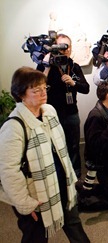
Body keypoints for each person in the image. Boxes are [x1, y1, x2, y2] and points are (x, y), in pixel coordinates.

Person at [0, 67, 90, 242]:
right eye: (36, 90)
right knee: (36, 236)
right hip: (36, 196)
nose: (43, 93)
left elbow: (60, 151)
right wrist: (25, 204)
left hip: (60, 185)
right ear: (21, 94)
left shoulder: (49, 111)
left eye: (44, 88)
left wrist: (70, 180)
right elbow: (9, 172)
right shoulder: (13, 127)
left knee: (75, 228)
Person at [37, 33, 90, 178]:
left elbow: (86, 88)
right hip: (51, 114)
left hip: (71, 113)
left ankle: (75, 176)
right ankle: (58, 178)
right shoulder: (45, 65)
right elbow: (37, 85)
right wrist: (47, 66)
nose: (65, 50)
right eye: (61, 47)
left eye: (67, 46)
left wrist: (74, 83)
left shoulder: (74, 67)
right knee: (53, 147)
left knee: (73, 146)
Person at [77, 81, 108, 211]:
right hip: (104, 164)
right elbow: (94, 146)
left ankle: (87, 188)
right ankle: (82, 203)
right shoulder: (96, 116)